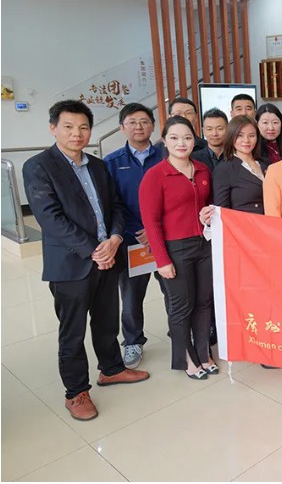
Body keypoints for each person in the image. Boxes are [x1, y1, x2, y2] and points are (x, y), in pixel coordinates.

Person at [23, 100, 150, 421]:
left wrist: (116, 238)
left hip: (108, 255)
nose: (76, 134)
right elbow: (50, 218)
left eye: (83, 127)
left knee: (106, 320)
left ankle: (112, 369)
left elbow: (116, 206)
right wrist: (95, 249)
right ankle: (76, 392)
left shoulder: (97, 165)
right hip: (72, 264)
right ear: (53, 128)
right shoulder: (39, 166)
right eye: (68, 127)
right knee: (73, 331)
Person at [139, 115, 217, 380]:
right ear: (164, 141)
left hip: (204, 244)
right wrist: (162, 261)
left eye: (187, 137)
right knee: (182, 305)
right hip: (175, 248)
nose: (181, 143)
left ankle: (203, 353)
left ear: (194, 140)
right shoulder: (155, 176)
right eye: (174, 138)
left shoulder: (203, 170)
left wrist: (208, 213)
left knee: (204, 302)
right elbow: (151, 223)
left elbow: (209, 205)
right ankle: (186, 357)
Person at [103, 102, 165, 369]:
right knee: (130, 298)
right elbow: (112, 204)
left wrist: (155, 230)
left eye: (144, 121)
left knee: (174, 291)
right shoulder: (111, 163)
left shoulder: (167, 155)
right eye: (132, 122)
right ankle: (132, 341)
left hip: (165, 237)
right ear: (122, 128)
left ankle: (181, 333)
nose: (139, 127)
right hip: (131, 241)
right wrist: (136, 232)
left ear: (153, 126)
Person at [213, 116, 268, 214]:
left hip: (271, 220)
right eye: (240, 135)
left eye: (251, 135)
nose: (246, 140)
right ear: (231, 137)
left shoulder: (266, 163)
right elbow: (222, 211)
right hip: (245, 222)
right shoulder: (224, 169)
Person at [192, 108, 227, 172]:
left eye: (219, 129)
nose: (214, 134)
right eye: (209, 129)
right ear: (203, 131)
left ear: (228, 129)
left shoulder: (235, 155)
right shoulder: (194, 158)